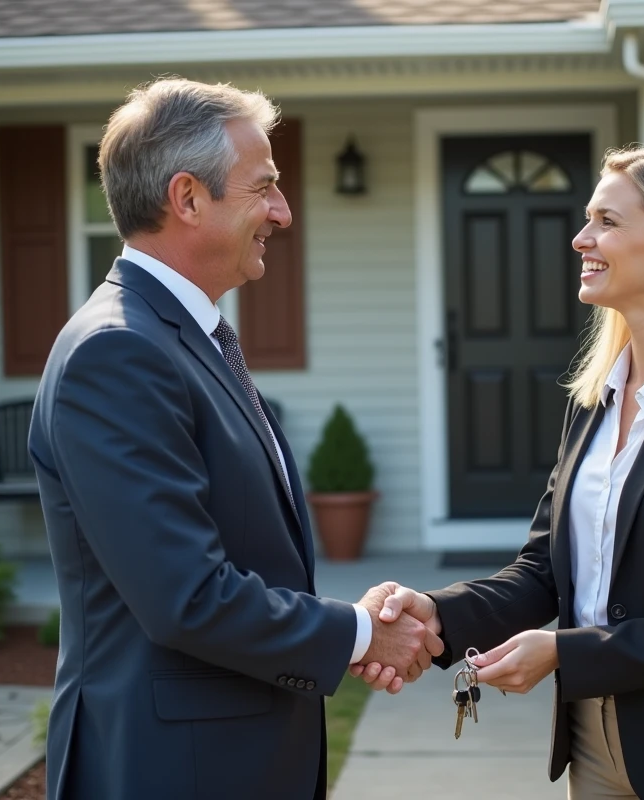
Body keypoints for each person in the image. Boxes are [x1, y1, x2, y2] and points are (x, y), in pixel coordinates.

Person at [28, 78, 440, 800]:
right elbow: (185, 595)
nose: (282, 213)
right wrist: (357, 634)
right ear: (187, 199)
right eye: (265, 188)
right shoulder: (118, 353)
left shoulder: (185, 336)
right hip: (174, 769)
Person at [360, 146, 644, 799]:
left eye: (606, 222)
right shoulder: (594, 398)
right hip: (591, 743)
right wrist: (434, 612)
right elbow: (543, 571)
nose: (580, 238)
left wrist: (567, 653)